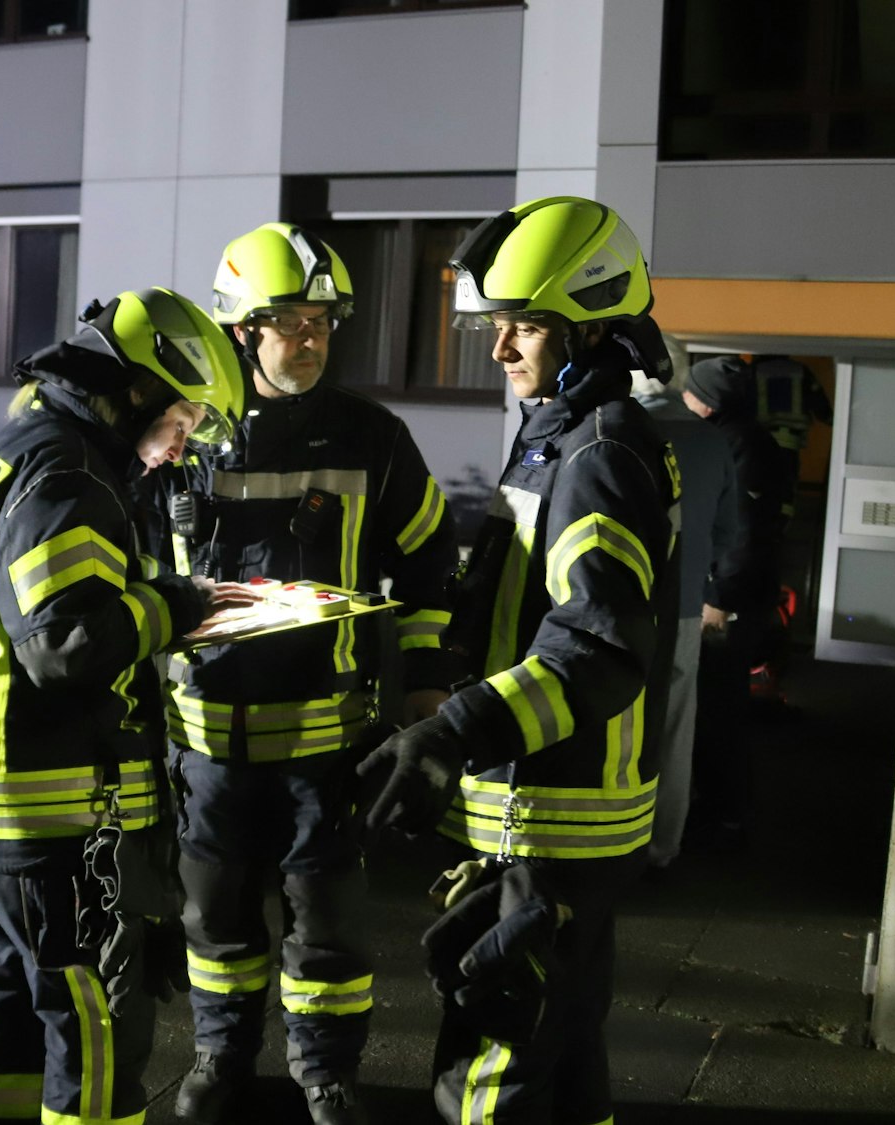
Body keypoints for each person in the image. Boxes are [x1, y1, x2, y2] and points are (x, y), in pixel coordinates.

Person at [355, 196, 680, 1125]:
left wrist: (451, 734)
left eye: (524, 326)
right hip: (564, 817)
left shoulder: (598, 453)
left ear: (591, 324)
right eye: (496, 326)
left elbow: (597, 645)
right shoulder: (566, 432)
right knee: (568, 1053)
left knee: (490, 1067)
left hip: (554, 817)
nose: (499, 350)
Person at [151, 222, 460, 1125]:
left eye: (325, 320)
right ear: (242, 331)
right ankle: (220, 1057)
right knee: (216, 927)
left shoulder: (375, 436)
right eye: (291, 321)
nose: (314, 338)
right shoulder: (187, 434)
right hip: (204, 746)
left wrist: (426, 684)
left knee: (328, 931)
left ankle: (325, 1073)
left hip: (328, 745)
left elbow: (433, 559)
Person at [0, 287, 248, 1125]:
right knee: (95, 1024)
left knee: (5, 1000)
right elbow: (62, 645)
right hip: (48, 806)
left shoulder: (25, 446)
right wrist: (178, 608)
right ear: (137, 389)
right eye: (186, 417)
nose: (183, 443)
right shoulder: (69, 470)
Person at [631, 333, 746, 871]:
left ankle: (607, 842)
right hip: (682, 609)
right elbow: (730, 533)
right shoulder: (711, 441)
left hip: (619, 606)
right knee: (676, 728)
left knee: (613, 724)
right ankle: (662, 847)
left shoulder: (617, 431)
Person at [682, 355, 796, 848]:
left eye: (689, 393)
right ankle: (721, 806)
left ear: (706, 404)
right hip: (735, 595)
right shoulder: (740, 440)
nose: (683, 401)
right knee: (715, 707)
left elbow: (741, 534)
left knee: (718, 709)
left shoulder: (739, 446)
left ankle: (725, 814)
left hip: (729, 602)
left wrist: (718, 599)